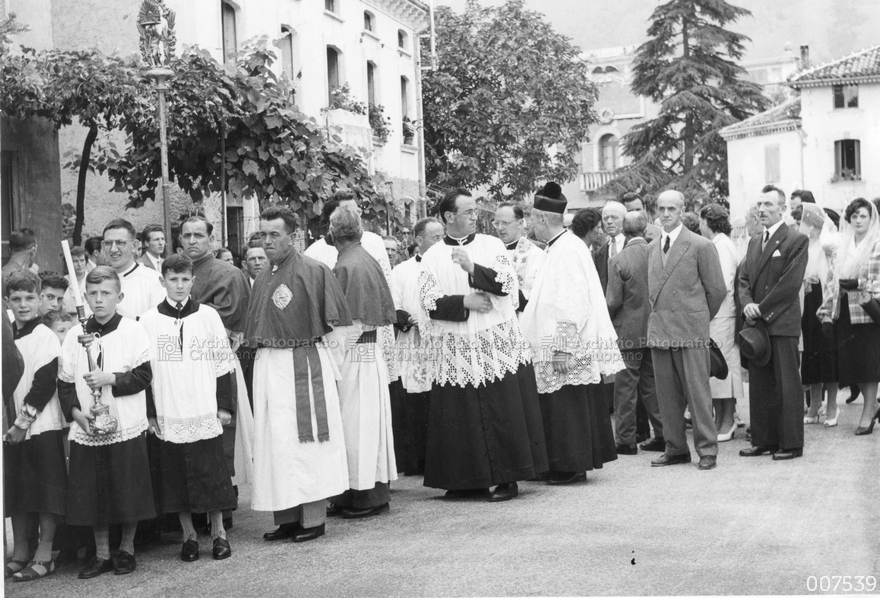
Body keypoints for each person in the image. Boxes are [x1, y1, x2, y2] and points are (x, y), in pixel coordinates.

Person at [418, 188, 547, 501]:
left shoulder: (491, 245)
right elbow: (428, 300)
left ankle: (507, 479)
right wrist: (465, 301)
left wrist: (473, 269)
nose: (476, 217)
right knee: (459, 411)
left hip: (493, 340)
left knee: (501, 408)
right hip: (456, 345)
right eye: (468, 212)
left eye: (475, 211)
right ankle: (466, 480)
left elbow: (506, 284)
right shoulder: (432, 256)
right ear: (449, 217)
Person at [245, 205, 351, 543]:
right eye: (263, 234)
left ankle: (314, 519)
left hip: (303, 365)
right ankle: (287, 517)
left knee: (308, 444)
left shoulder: (315, 270)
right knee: (277, 443)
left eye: (275, 234)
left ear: (294, 236)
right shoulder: (262, 276)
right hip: (269, 365)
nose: (268, 240)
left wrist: (328, 368)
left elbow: (338, 328)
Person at [58, 267, 155, 579]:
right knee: (93, 492)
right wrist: (76, 414)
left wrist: (109, 378)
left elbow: (143, 376)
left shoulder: (132, 330)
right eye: (93, 294)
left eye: (106, 293)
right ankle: (101, 555)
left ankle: (126, 549)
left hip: (124, 422)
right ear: (85, 296)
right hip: (88, 425)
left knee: (127, 489)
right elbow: (64, 382)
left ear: (119, 296)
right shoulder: (75, 335)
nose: (99, 300)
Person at [521, 183, 622, 484]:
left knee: (567, 407)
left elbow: (571, 301)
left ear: (541, 218)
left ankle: (570, 466)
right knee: (561, 405)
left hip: (566, 343)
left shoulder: (566, 250)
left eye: (531, 220)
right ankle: (560, 464)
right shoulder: (561, 246)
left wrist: (563, 347)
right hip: (557, 340)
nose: (530, 226)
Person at [140, 254, 238, 562]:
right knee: (177, 474)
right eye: (173, 279)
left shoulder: (208, 316)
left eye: (185, 280)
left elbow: (223, 364)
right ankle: (189, 536)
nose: (179, 285)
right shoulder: (148, 321)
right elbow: (145, 371)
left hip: (203, 403)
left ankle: (219, 534)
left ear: (192, 282)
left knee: (210, 472)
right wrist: (152, 413)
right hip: (170, 407)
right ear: (163, 281)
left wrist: (224, 406)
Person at [325, 209, 398, 518]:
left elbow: (349, 322)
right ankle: (368, 492)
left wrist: (330, 358)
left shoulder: (346, 265)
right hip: (369, 354)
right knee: (369, 425)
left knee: (354, 427)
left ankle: (361, 496)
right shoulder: (365, 258)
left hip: (354, 354)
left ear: (333, 232)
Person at [180, 215, 251, 528]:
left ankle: (224, 505)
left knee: (221, 433)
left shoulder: (228, 273)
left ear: (210, 238)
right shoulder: (175, 272)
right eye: (187, 235)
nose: (192, 240)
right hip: (180, 365)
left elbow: (229, 320)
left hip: (216, 361)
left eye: (199, 235)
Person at [647, 190, 726, 470]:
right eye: (661, 208)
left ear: (682, 211)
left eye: (671, 209)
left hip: (690, 331)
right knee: (666, 396)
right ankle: (676, 448)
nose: (665, 214)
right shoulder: (652, 247)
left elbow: (717, 290)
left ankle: (707, 450)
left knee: (698, 394)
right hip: (661, 332)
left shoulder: (700, 245)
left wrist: (698, 319)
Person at [3, 271, 67, 582]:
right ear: (7, 301)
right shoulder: (5, 335)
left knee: (45, 490)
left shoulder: (45, 336)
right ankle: (20, 552)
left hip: (40, 424)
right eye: (16, 299)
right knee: (18, 491)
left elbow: (44, 384)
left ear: (39, 299)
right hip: (11, 428)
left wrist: (22, 422)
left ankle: (45, 552)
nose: (24, 304)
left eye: (30, 298)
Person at [738, 185, 809, 460]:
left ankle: (791, 443)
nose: (762, 209)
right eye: (759, 204)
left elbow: (789, 285)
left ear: (782, 208)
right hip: (758, 324)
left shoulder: (796, 239)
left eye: (768, 204)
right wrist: (747, 305)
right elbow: (743, 280)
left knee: (787, 384)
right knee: (760, 383)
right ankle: (764, 439)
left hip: (780, 323)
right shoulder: (755, 241)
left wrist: (760, 310)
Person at [389, 217, 444, 476]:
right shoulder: (401, 271)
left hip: (441, 342)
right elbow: (394, 306)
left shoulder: (449, 266)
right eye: (435, 237)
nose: (441, 242)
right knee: (415, 399)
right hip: (412, 342)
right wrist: (411, 319)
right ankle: (416, 460)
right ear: (419, 241)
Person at [606, 212, 665, 454]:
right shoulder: (659, 254)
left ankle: (626, 440)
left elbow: (612, 301)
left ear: (624, 231)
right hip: (654, 329)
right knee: (653, 386)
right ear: (645, 230)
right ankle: (663, 434)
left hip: (627, 332)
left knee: (625, 389)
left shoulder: (619, 260)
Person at [821, 198, 880, 435]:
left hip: (868, 311)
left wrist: (858, 283)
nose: (857, 220)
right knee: (855, 364)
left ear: (871, 218)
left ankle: (868, 411)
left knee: (870, 363)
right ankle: (872, 404)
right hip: (845, 310)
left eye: (862, 216)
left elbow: (877, 282)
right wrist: (826, 310)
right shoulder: (843, 245)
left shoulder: (877, 244)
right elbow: (831, 279)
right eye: (854, 216)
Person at [699, 204, 744, 441]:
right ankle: (719, 419)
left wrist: (707, 309)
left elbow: (723, 284)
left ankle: (728, 421)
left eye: (701, 220)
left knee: (724, 367)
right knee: (715, 369)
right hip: (715, 315)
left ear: (707, 221)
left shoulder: (723, 245)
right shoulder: (716, 244)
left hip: (722, 315)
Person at [800, 204, 841, 426]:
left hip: (825, 301)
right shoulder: (804, 246)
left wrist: (826, 226)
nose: (806, 226)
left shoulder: (828, 245)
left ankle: (833, 404)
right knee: (811, 353)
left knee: (828, 353)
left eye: (809, 222)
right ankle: (815, 404)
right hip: (807, 302)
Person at [102, 219, 166, 320]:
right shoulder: (98, 280)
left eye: (120, 242)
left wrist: (131, 320)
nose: (113, 249)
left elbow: (160, 324)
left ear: (134, 245)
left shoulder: (153, 280)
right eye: (108, 243)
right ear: (102, 246)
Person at [493, 201, 544, 312]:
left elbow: (537, 295)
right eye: (497, 223)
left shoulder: (535, 254)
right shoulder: (491, 252)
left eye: (505, 223)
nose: (500, 228)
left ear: (520, 223)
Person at [593, 201, 627, 292]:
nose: (609, 222)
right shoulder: (599, 254)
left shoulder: (634, 246)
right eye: (605, 218)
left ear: (624, 220)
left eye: (614, 217)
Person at [62, 246, 91, 317]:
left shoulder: (92, 280)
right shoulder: (63, 281)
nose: (79, 265)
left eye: (82, 260)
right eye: (75, 261)